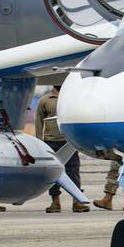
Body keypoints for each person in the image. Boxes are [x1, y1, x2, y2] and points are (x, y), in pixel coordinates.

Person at [35, 84, 89, 213]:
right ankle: (55, 201)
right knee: (52, 173)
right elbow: (39, 121)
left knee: (73, 171)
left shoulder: (71, 99)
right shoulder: (45, 100)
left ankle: (77, 201)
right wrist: (39, 141)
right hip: (50, 142)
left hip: (69, 142)